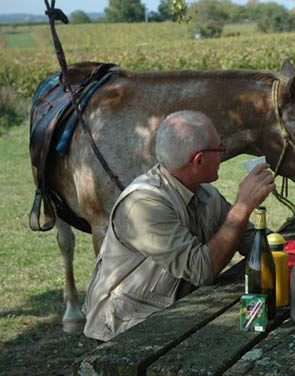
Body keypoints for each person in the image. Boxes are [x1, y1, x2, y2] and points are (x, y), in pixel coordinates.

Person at [82, 110, 275, 341]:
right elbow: (202, 270)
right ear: (199, 159)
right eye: (219, 149)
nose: (223, 155)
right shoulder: (143, 205)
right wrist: (243, 205)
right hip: (123, 334)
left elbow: (249, 238)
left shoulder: (204, 194)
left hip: (175, 316)